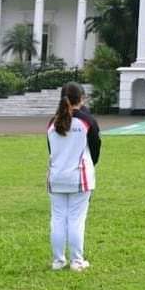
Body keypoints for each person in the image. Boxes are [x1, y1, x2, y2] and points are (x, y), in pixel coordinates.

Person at [46, 82, 101, 272]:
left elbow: (51, 149)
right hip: (79, 176)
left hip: (56, 176)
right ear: (82, 98)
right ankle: (77, 261)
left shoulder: (52, 123)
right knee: (76, 219)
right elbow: (95, 149)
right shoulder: (87, 121)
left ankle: (58, 260)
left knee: (58, 218)